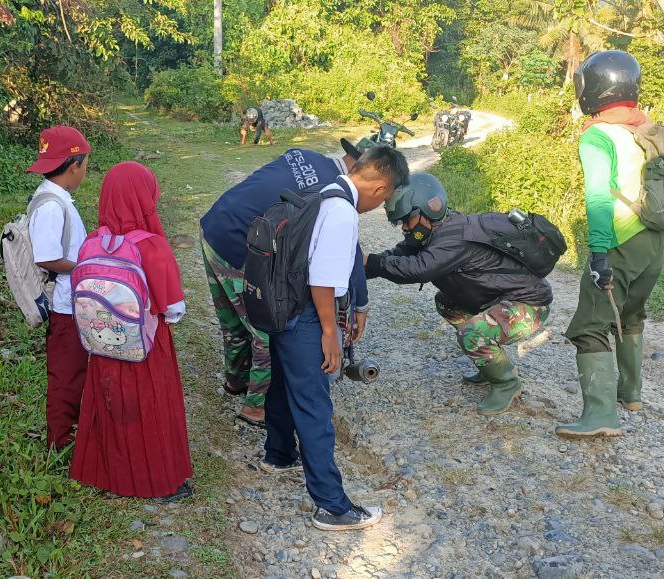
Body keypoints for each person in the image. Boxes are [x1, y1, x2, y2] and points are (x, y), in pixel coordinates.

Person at [263, 146, 409, 531]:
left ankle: (278, 454)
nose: (381, 204)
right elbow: (322, 280)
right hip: (305, 317)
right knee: (314, 408)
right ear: (379, 188)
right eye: (386, 198)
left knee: (281, 383)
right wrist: (330, 332)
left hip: (281, 308)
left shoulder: (324, 192)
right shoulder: (343, 212)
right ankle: (332, 506)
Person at [199, 144, 371, 428]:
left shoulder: (308, 155)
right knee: (266, 326)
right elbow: (350, 250)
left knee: (232, 318)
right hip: (243, 245)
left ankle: (236, 380)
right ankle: (256, 407)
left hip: (215, 227)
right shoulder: (334, 191)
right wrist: (361, 304)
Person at [364, 173, 552, 415]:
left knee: (472, 333)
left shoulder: (454, 237)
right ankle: (491, 363)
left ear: (428, 210)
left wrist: (374, 263)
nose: (405, 228)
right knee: (447, 302)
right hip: (500, 299)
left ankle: (506, 383)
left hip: (529, 305)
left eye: (407, 221)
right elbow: (400, 254)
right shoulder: (432, 231)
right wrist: (364, 266)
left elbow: (419, 269)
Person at [69, 161, 194, 501]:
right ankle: (158, 482)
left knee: (110, 407)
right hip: (147, 349)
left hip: (101, 346)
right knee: (152, 408)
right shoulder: (151, 246)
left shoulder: (92, 242)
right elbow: (173, 310)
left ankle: (107, 476)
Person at [555, 50, 663, 439]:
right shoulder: (645, 127)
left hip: (619, 239)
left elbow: (598, 197)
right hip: (654, 239)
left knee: (591, 324)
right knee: (631, 312)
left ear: (594, 90)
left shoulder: (599, 135)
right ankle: (630, 393)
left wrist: (598, 253)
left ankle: (599, 416)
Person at [25, 125, 92, 448]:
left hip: (71, 301)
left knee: (76, 369)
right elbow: (47, 258)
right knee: (66, 375)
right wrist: (85, 267)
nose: (85, 170)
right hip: (64, 303)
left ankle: (72, 431)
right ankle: (60, 441)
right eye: (86, 163)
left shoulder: (56, 196)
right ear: (74, 164)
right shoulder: (52, 205)